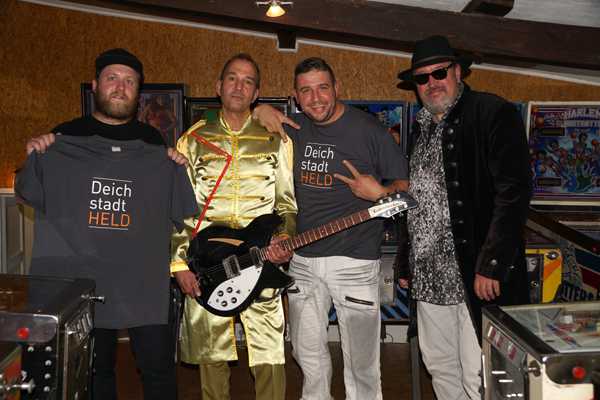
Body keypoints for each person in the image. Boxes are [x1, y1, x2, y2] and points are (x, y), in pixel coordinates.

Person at [340, 35, 532, 400]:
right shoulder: (423, 127)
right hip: (429, 278)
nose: (431, 83)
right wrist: (406, 262)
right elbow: (421, 200)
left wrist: (491, 264)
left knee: (480, 372)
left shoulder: (492, 113)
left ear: (458, 72)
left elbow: (514, 193)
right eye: (422, 78)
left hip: (473, 275)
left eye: (439, 73)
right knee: (440, 364)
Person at [18, 48, 197, 400]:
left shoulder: (152, 144)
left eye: (129, 81)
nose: (120, 87)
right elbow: (29, 192)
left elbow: (178, 210)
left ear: (138, 91)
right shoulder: (63, 139)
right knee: (94, 370)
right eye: (113, 79)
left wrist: (175, 165)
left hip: (143, 281)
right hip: (82, 280)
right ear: (96, 84)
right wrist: (37, 154)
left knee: (158, 368)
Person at [256, 57, 409, 400]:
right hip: (302, 263)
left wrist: (380, 192)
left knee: (363, 366)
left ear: (338, 88)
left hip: (354, 263)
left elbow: (404, 186)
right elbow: (247, 121)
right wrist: (260, 108)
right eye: (306, 91)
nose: (316, 98)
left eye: (323, 87)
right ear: (296, 97)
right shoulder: (291, 128)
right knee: (308, 357)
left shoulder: (370, 130)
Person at [170, 53, 296, 400]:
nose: (239, 86)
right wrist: (178, 263)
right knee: (213, 356)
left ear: (257, 93)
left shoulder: (277, 139)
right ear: (218, 87)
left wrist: (284, 236)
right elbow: (180, 211)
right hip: (207, 262)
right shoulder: (193, 140)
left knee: (270, 357)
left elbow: (286, 204)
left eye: (248, 81)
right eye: (232, 78)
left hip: (262, 260)